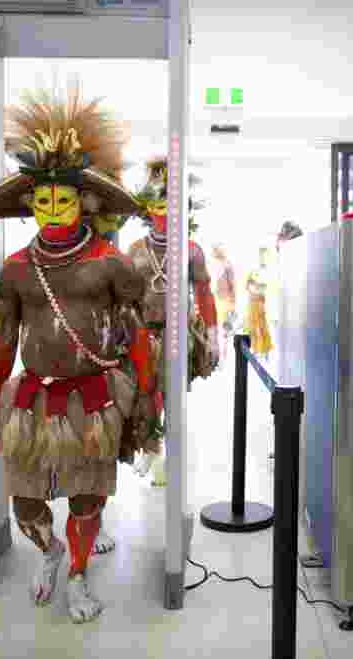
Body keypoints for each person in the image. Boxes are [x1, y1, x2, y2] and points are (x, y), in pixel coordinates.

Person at [0, 84, 156, 624]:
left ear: (86, 203)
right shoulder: (15, 269)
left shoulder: (110, 263)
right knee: (25, 504)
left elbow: (137, 332)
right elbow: (4, 338)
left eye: (65, 200)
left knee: (86, 499)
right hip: (32, 398)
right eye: (44, 201)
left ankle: (76, 572)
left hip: (94, 398)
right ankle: (50, 552)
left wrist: (145, 396)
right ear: (31, 205)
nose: (54, 211)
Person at [127, 157, 220, 483]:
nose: (165, 211)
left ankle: (167, 455)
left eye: (173, 204)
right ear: (147, 209)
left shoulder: (192, 250)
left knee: (172, 395)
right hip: (142, 334)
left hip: (180, 335)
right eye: (159, 203)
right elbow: (124, 300)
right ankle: (150, 446)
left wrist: (212, 336)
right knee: (146, 392)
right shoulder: (134, 250)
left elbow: (205, 293)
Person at [245, 247, 274, 360]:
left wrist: (258, 288)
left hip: (260, 303)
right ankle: (257, 350)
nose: (262, 258)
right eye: (261, 255)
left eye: (264, 255)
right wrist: (256, 288)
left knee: (262, 327)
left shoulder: (266, 271)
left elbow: (264, 287)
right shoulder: (254, 271)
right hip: (253, 302)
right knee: (253, 327)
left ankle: (265, 351)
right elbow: (249, 286)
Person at [211, 243, 236, 363]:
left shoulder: (227, 265)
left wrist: (233, 304)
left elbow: (232, 286)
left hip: (224, 302)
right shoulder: (211, 264)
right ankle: (216, 357)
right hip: (214, 301)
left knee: (223, 331)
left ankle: (222, 358)